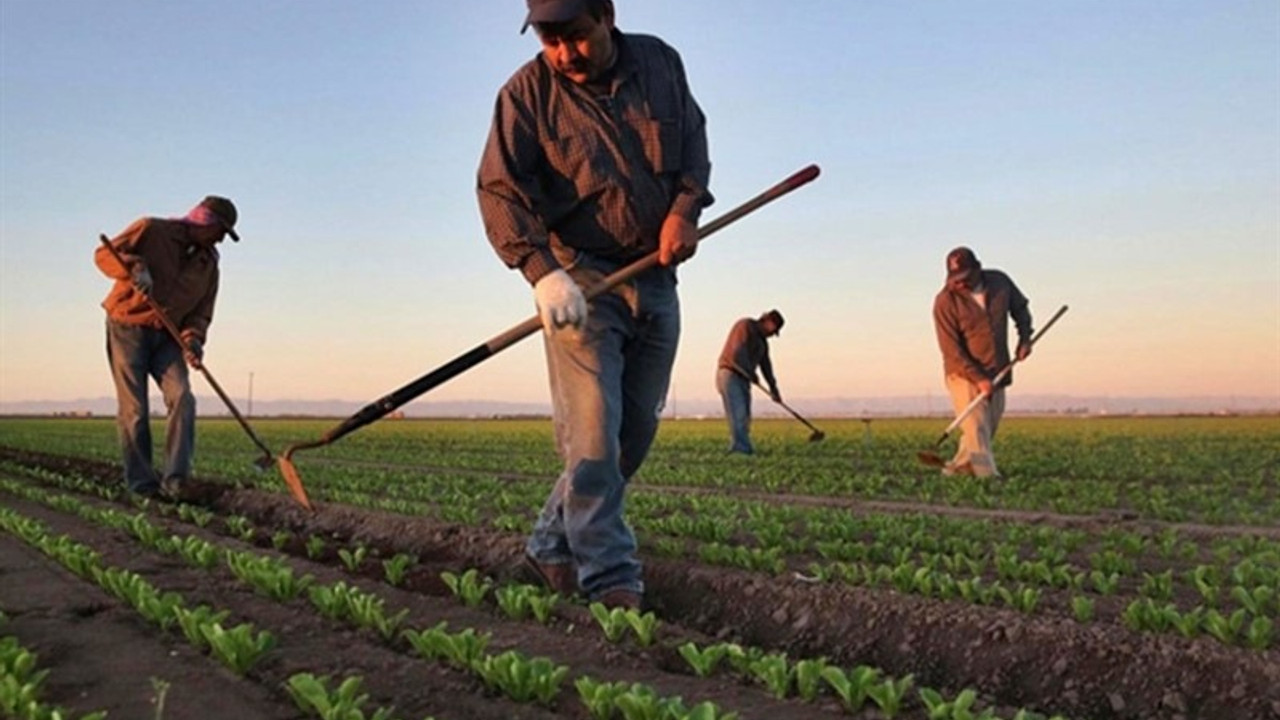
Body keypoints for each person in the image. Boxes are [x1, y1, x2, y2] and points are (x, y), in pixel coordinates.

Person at [477, 0, 712, 609]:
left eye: (575, 36)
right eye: (550, 40)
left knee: (633, 433)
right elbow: (499, 188)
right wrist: (542, 273)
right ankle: (609, 577)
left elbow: (693, 148)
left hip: (655, 274)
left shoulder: (661, 64)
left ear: (607, 15)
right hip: (580, 279)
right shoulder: (526, 94)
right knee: (593, 436)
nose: (564, 54)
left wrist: (684, 211)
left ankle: (550, 545)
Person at [94, 196, 240, 501]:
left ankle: (175, 480)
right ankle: (142, 486)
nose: (220, 240)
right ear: (204, 221)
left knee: (183, 398)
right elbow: (104, 256)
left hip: (168, 336)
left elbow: (201, 312)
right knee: (135, 409)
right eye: (220, 231)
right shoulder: (152, 230)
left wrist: (193, 340)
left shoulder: (208, 266)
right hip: (128, 326)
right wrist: (135, 267)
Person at [932, 246, 1033, 478]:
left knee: (985, 429)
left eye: (965, 278)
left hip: (998, 368)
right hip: (963, 373)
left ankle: (958, 468)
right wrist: (978, 378)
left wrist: (1025, 338)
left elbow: (1020, 309)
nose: (961, 284)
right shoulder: (945, 301)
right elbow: (951, 350)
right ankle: (989, 477)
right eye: (955, 279)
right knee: (976, 426)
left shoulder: (1000, 282)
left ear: (978, 268)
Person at [715, 310, 784, 454]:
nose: (773, 334)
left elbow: (766, 366)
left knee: (745, 415)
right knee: (738, 413)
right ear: (767, 321)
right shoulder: (745, 326)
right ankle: (742, 449)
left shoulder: (763, 343)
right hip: (730, 374)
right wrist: (751, 373)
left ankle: (739, 447)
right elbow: (738, 353)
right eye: (774, 330)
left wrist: (773, 388)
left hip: (744, 378)